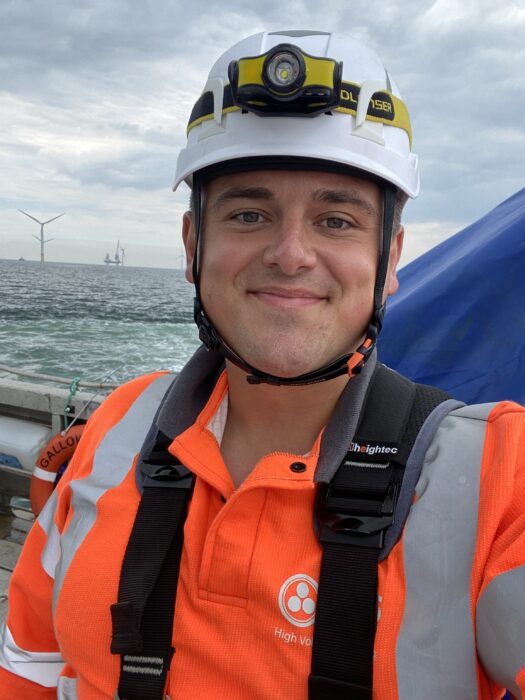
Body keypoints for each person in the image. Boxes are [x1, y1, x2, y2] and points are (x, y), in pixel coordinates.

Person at [1, 30, 524, 700]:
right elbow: (28, 666)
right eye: (249, 213)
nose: (289, 254)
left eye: (336, 221)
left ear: (389, 260)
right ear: (194, 245)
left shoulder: (493, 476)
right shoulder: (117, 430)